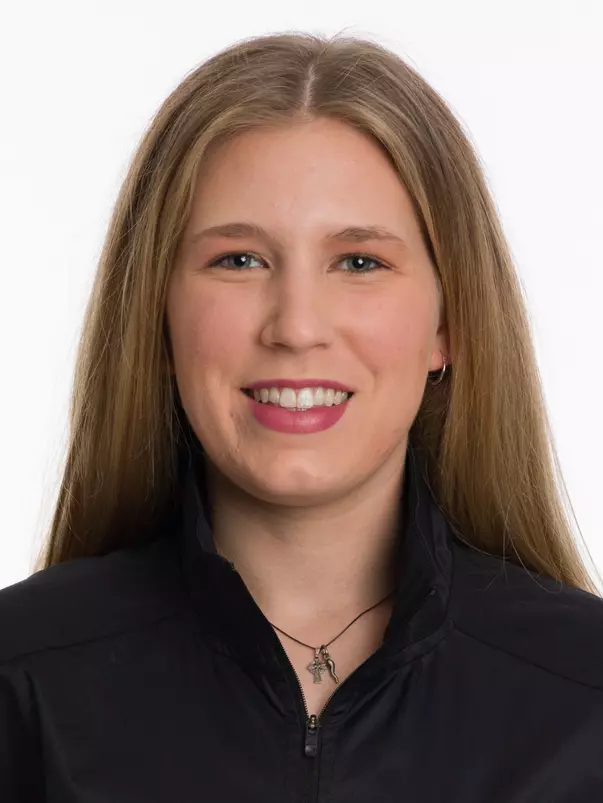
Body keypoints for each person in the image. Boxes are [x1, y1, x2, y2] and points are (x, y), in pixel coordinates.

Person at [1, 30, 602, 803]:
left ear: (448, 322)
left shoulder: (585, 700)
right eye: (239, 260)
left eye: (359, 262)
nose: (295, 325)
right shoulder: (23, 682)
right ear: (159, 310)